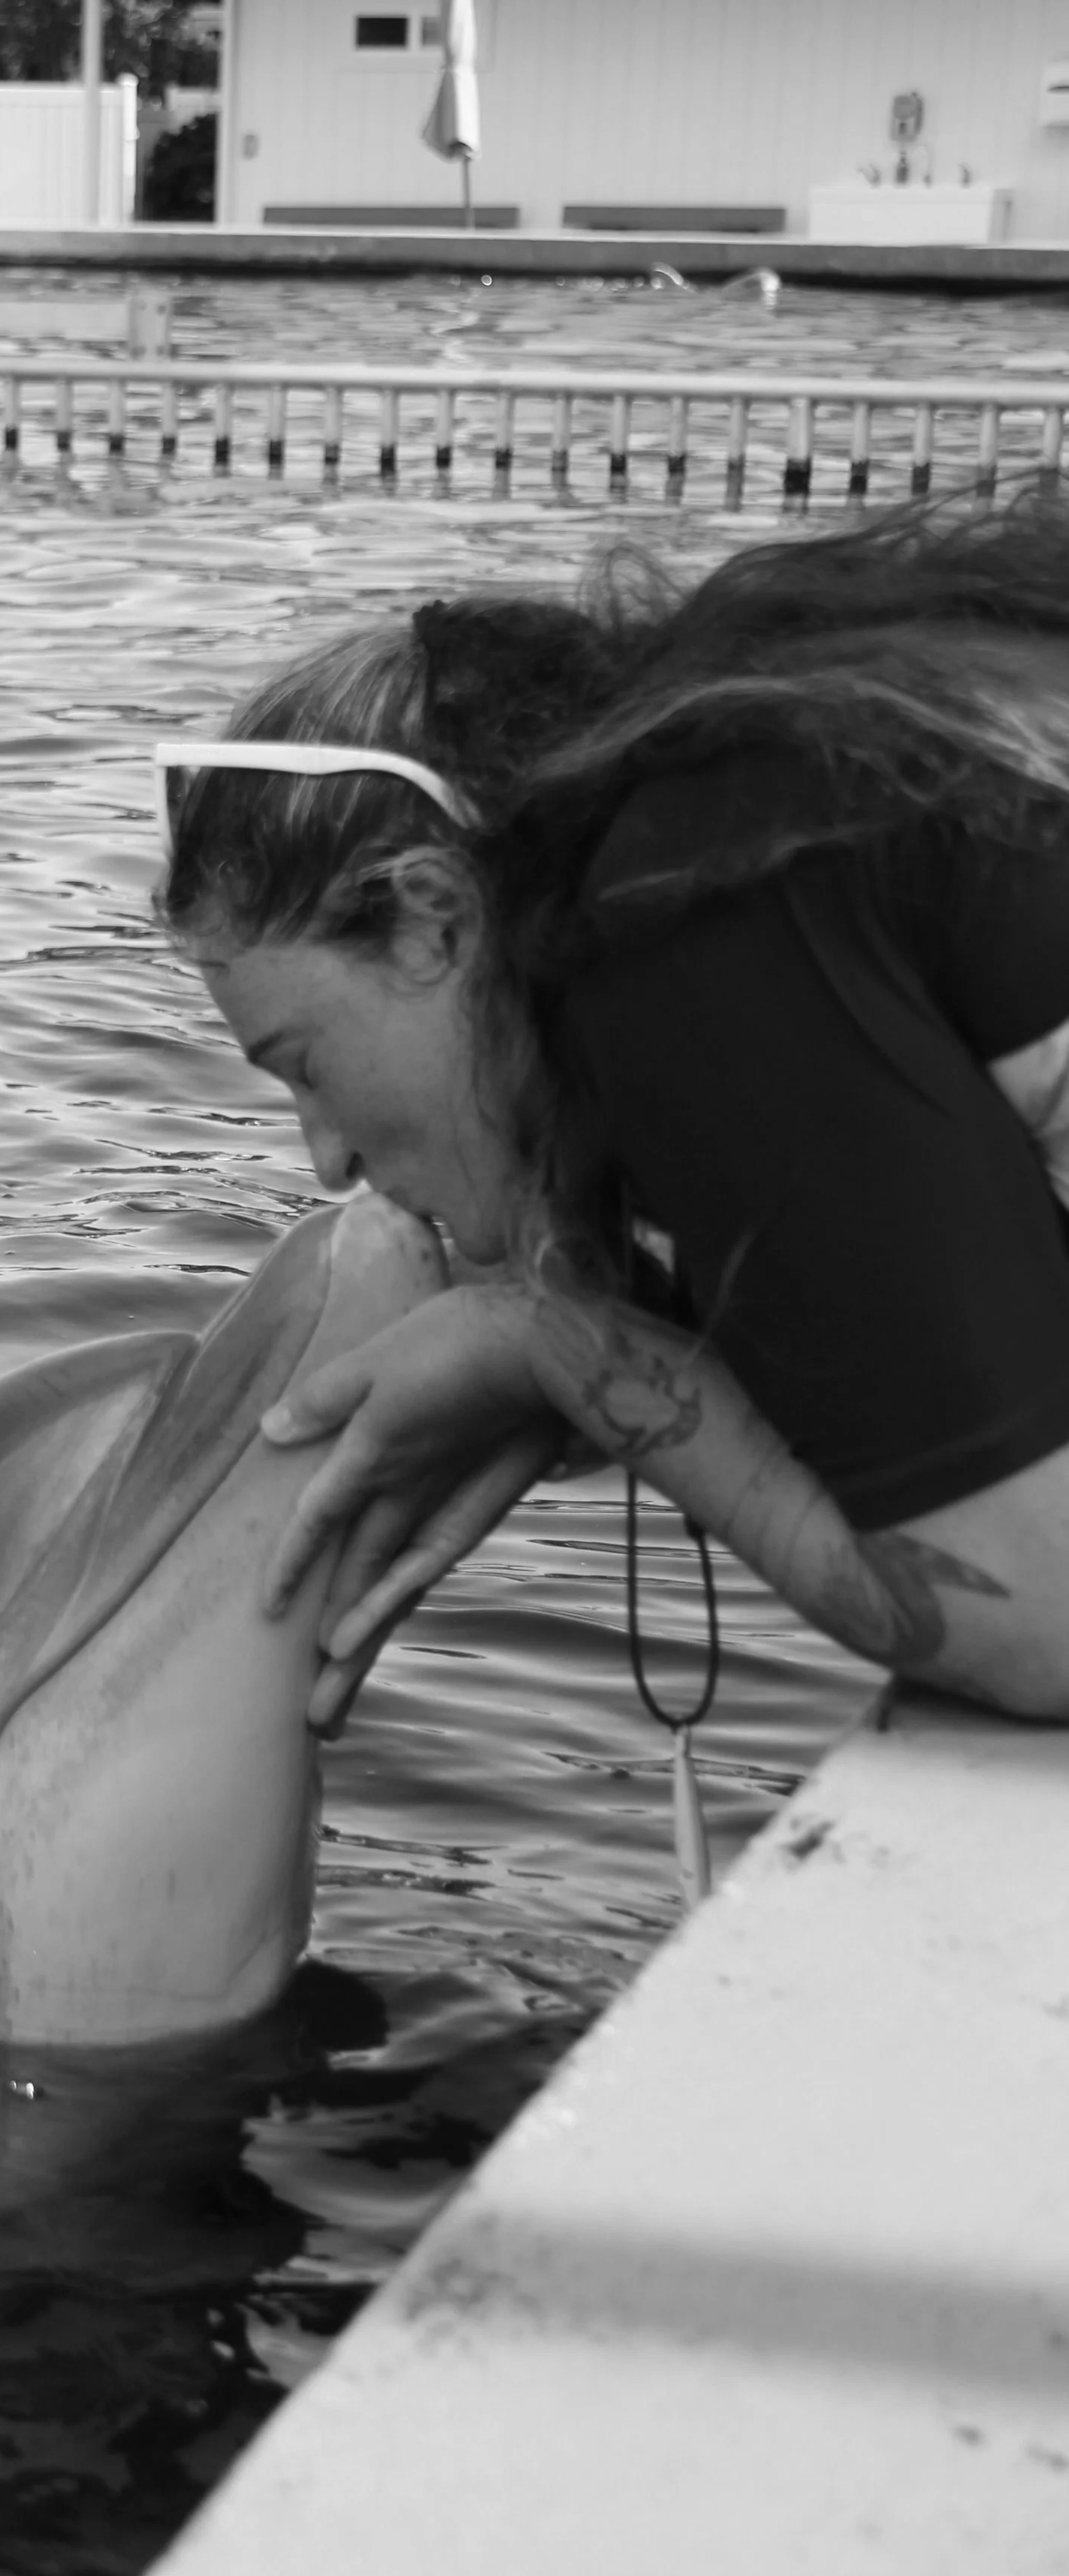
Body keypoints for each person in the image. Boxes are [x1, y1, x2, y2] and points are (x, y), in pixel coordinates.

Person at [155, 493, 1069, 1733]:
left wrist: (557, 1349)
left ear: (436, 917)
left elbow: (1042, 1621)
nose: (325, 1161)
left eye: (303, 1065)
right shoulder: (754, 799)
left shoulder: (681, 911)